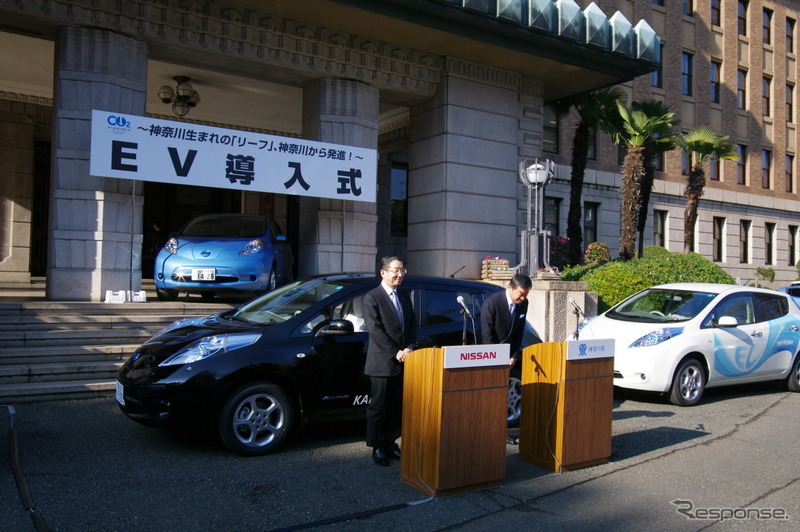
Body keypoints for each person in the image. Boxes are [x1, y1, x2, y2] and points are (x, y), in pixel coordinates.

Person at [363, 256, 417, 467]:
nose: (400, 274)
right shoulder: (372, 297)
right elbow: (375, 329)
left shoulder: (404, 296)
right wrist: (395, 352)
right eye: (396, 270)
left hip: (405, 360)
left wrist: (409, 347)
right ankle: (377, 446)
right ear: (383, 272)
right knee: (379, 407)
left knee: (397, 406)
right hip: (382, 362)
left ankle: (391, 442)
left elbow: (412, 325)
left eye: (402, 270)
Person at [479, 273, 532, 367]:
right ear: (510, 288)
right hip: (490, 353)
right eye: (520, 294)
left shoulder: (523, 303)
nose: (523, 298)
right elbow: (487, 333)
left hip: (507, 353)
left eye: (526, 294)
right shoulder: (492, 303)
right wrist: (492, 357)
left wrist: (514, 356)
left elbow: (519, 330)